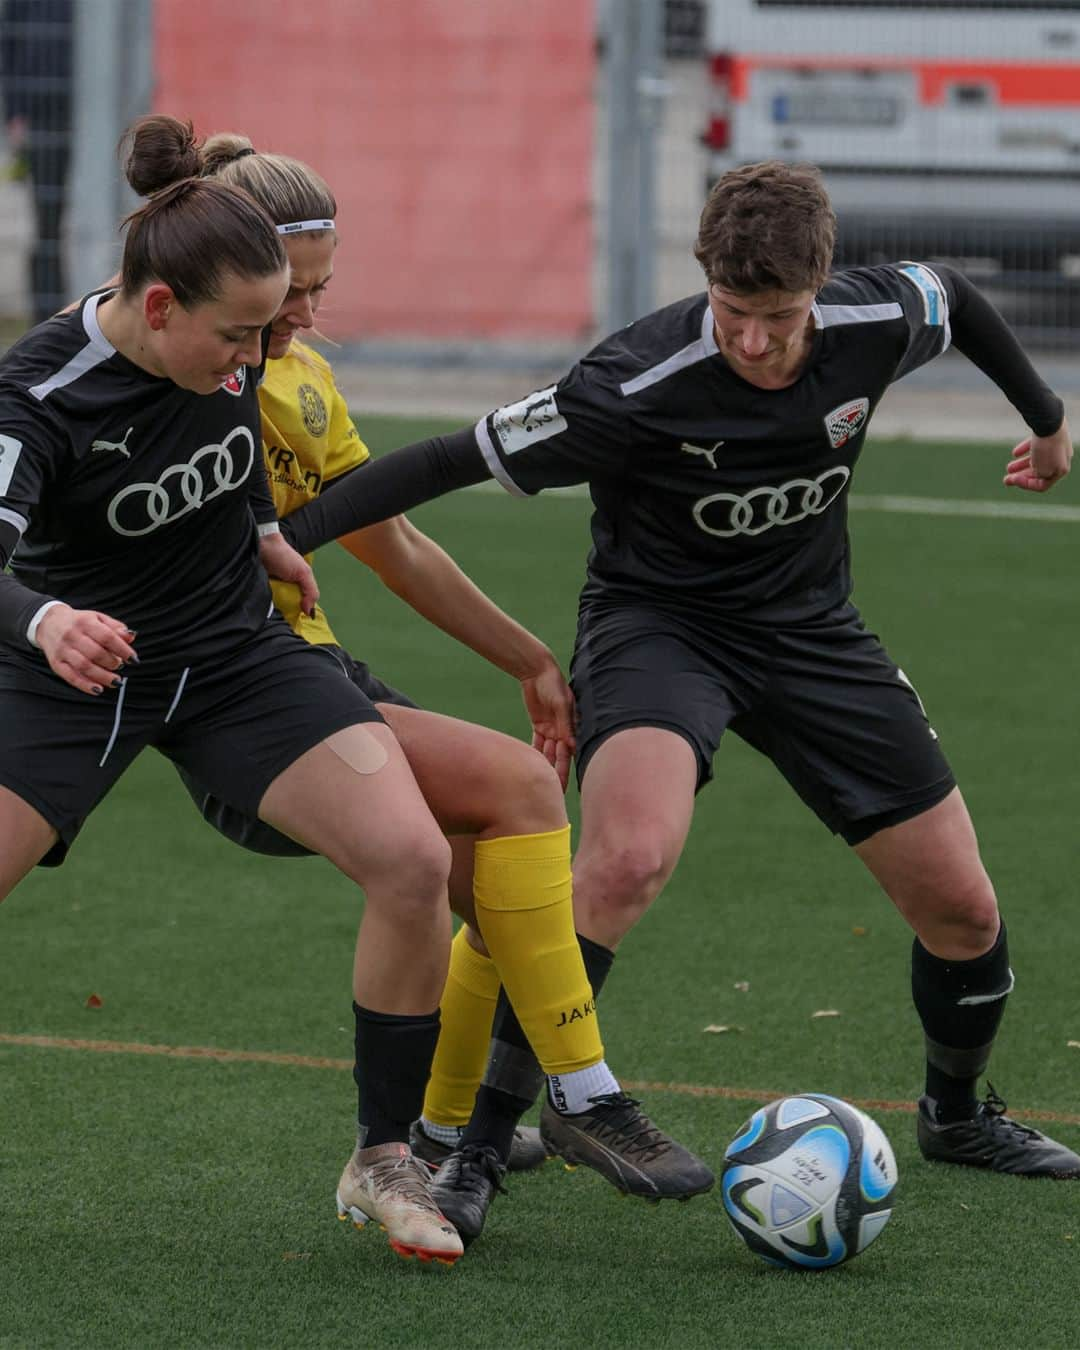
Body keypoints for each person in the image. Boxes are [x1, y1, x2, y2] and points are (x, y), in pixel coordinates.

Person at [279, 160, 1080, 1231]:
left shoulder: (879, 316)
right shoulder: (631, 384)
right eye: (734, 313)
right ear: (707, 282)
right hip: (661, 633)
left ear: (823, 285)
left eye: (780, 318)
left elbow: (962, 300)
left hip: (811, 631)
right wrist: (280, 537)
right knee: (623, 860)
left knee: (963, 907)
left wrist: (1048, 417)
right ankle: (478, 1146)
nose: (754, 340)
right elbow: (440, 461)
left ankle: (955, 1112)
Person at [119, 114, 715, 1247]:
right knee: (511, 817)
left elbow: (390, 539)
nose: (300, 317)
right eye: (286, 293)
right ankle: (562, 1103)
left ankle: (442, 1141)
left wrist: (528, 656)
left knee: (504, 872)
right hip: (244, 695)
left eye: (318, 290)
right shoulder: (182, 368)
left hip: (305, 669)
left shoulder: (296, 381)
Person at [0, 0, 72, 322]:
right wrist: (15, 113)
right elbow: (9, 46)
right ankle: (50, 320)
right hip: (43, 114)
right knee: (47, 223)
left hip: (94, 112)